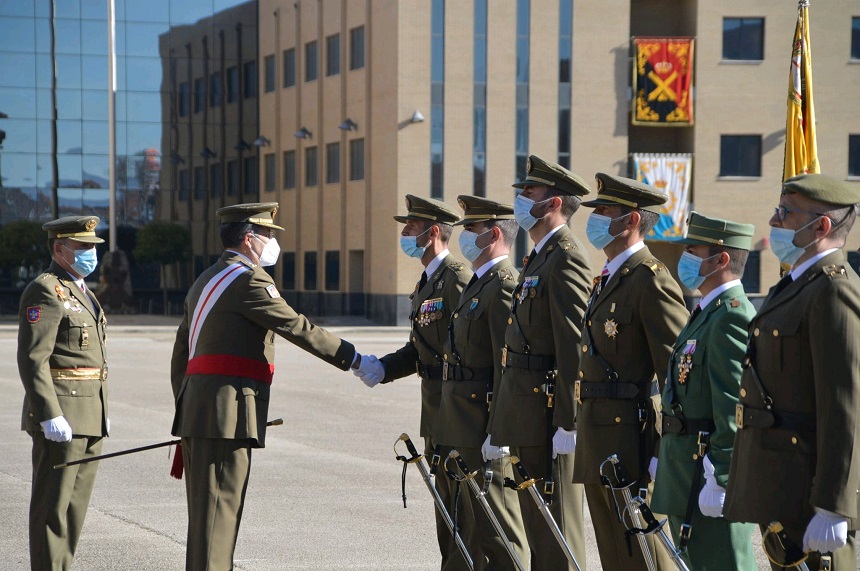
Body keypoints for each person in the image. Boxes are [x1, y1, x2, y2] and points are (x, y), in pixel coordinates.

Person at [170, 202, 364, 570]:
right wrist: (355, 359)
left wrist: (191, 405)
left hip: (202, 413)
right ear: (249, 239)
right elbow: (297, 327)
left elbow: (182, 354)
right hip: (226, 418)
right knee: (217, 523)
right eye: (269, 235)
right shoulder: (248, 279)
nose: (273, 242)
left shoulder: (205, 279)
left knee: (206, 522)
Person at [724, 173, 860, 570]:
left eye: (785, 213)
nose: (773, 220)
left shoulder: (834, 290)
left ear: (821, 225)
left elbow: (846, 406)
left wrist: (836, 505)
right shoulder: (796, 284)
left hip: (811, 494)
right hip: (784, 488)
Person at [575, 173, 688, 570]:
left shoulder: (650, 279)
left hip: (632, 438)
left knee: (647, 551)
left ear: (632, 220)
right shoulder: (608, 276)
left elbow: (678, 371)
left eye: (605, 211)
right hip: (599, 433)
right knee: (615, 552)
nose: (596, 218)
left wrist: (666, 449)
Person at [354, 194, 473, 570]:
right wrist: (384, 368)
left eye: (411, 227)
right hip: (435, 408)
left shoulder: (456, 278)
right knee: (445, 511)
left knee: (466, 511)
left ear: (433, 232)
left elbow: (475, 350)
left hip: (460, 410)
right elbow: (420, 348)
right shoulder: (427, 282)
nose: (404, 234)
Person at [485, 155, 592, 570]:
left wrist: (568, 421)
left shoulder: (566, 256)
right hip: (528, 413)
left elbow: (574, 346)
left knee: (556, 531)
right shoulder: (539, 257)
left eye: (529, 192)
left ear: (553, 204)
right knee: (538, 526)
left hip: (549, 417)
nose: (519, 198)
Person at [649, 212, 757, 570]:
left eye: (693, 250)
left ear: (721, 259)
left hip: (706, 475)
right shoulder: (706, 312)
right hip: (686, 470)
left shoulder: (731, 316)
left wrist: (723, 477)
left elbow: (733, 405)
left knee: (723, 562)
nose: (685, 259)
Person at [433, 195, 528, 569]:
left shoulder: (504, 284)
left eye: (470, 230)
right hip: (461, 419)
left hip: (483, 422)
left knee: (498, 528)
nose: (464, 238)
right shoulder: (479, 283)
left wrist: (499, 430)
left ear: (491, 235)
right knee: (470, 520)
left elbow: (507, 365)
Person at [18, 215, 109, 571]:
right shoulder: (46, 289)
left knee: (73, 513)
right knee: (51, 511)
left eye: (92, 247)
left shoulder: (81, 290)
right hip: (63, 417)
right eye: (83, 247)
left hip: (89, 417)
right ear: (60, 248)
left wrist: (100, 406)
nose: (91, 253)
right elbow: (33, 358)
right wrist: (48, 413)